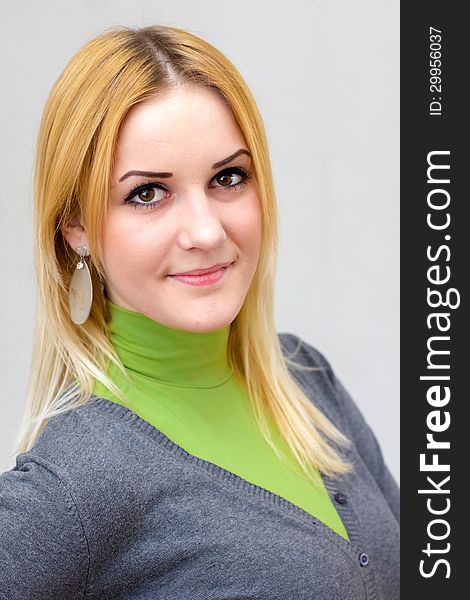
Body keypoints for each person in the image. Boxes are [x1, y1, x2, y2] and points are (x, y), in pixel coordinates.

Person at [0, 25, 399, 599]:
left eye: (228, 178)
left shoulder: (307, 380)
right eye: (148, 193)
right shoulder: (87, 474)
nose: (207, 230)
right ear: (76, 228)